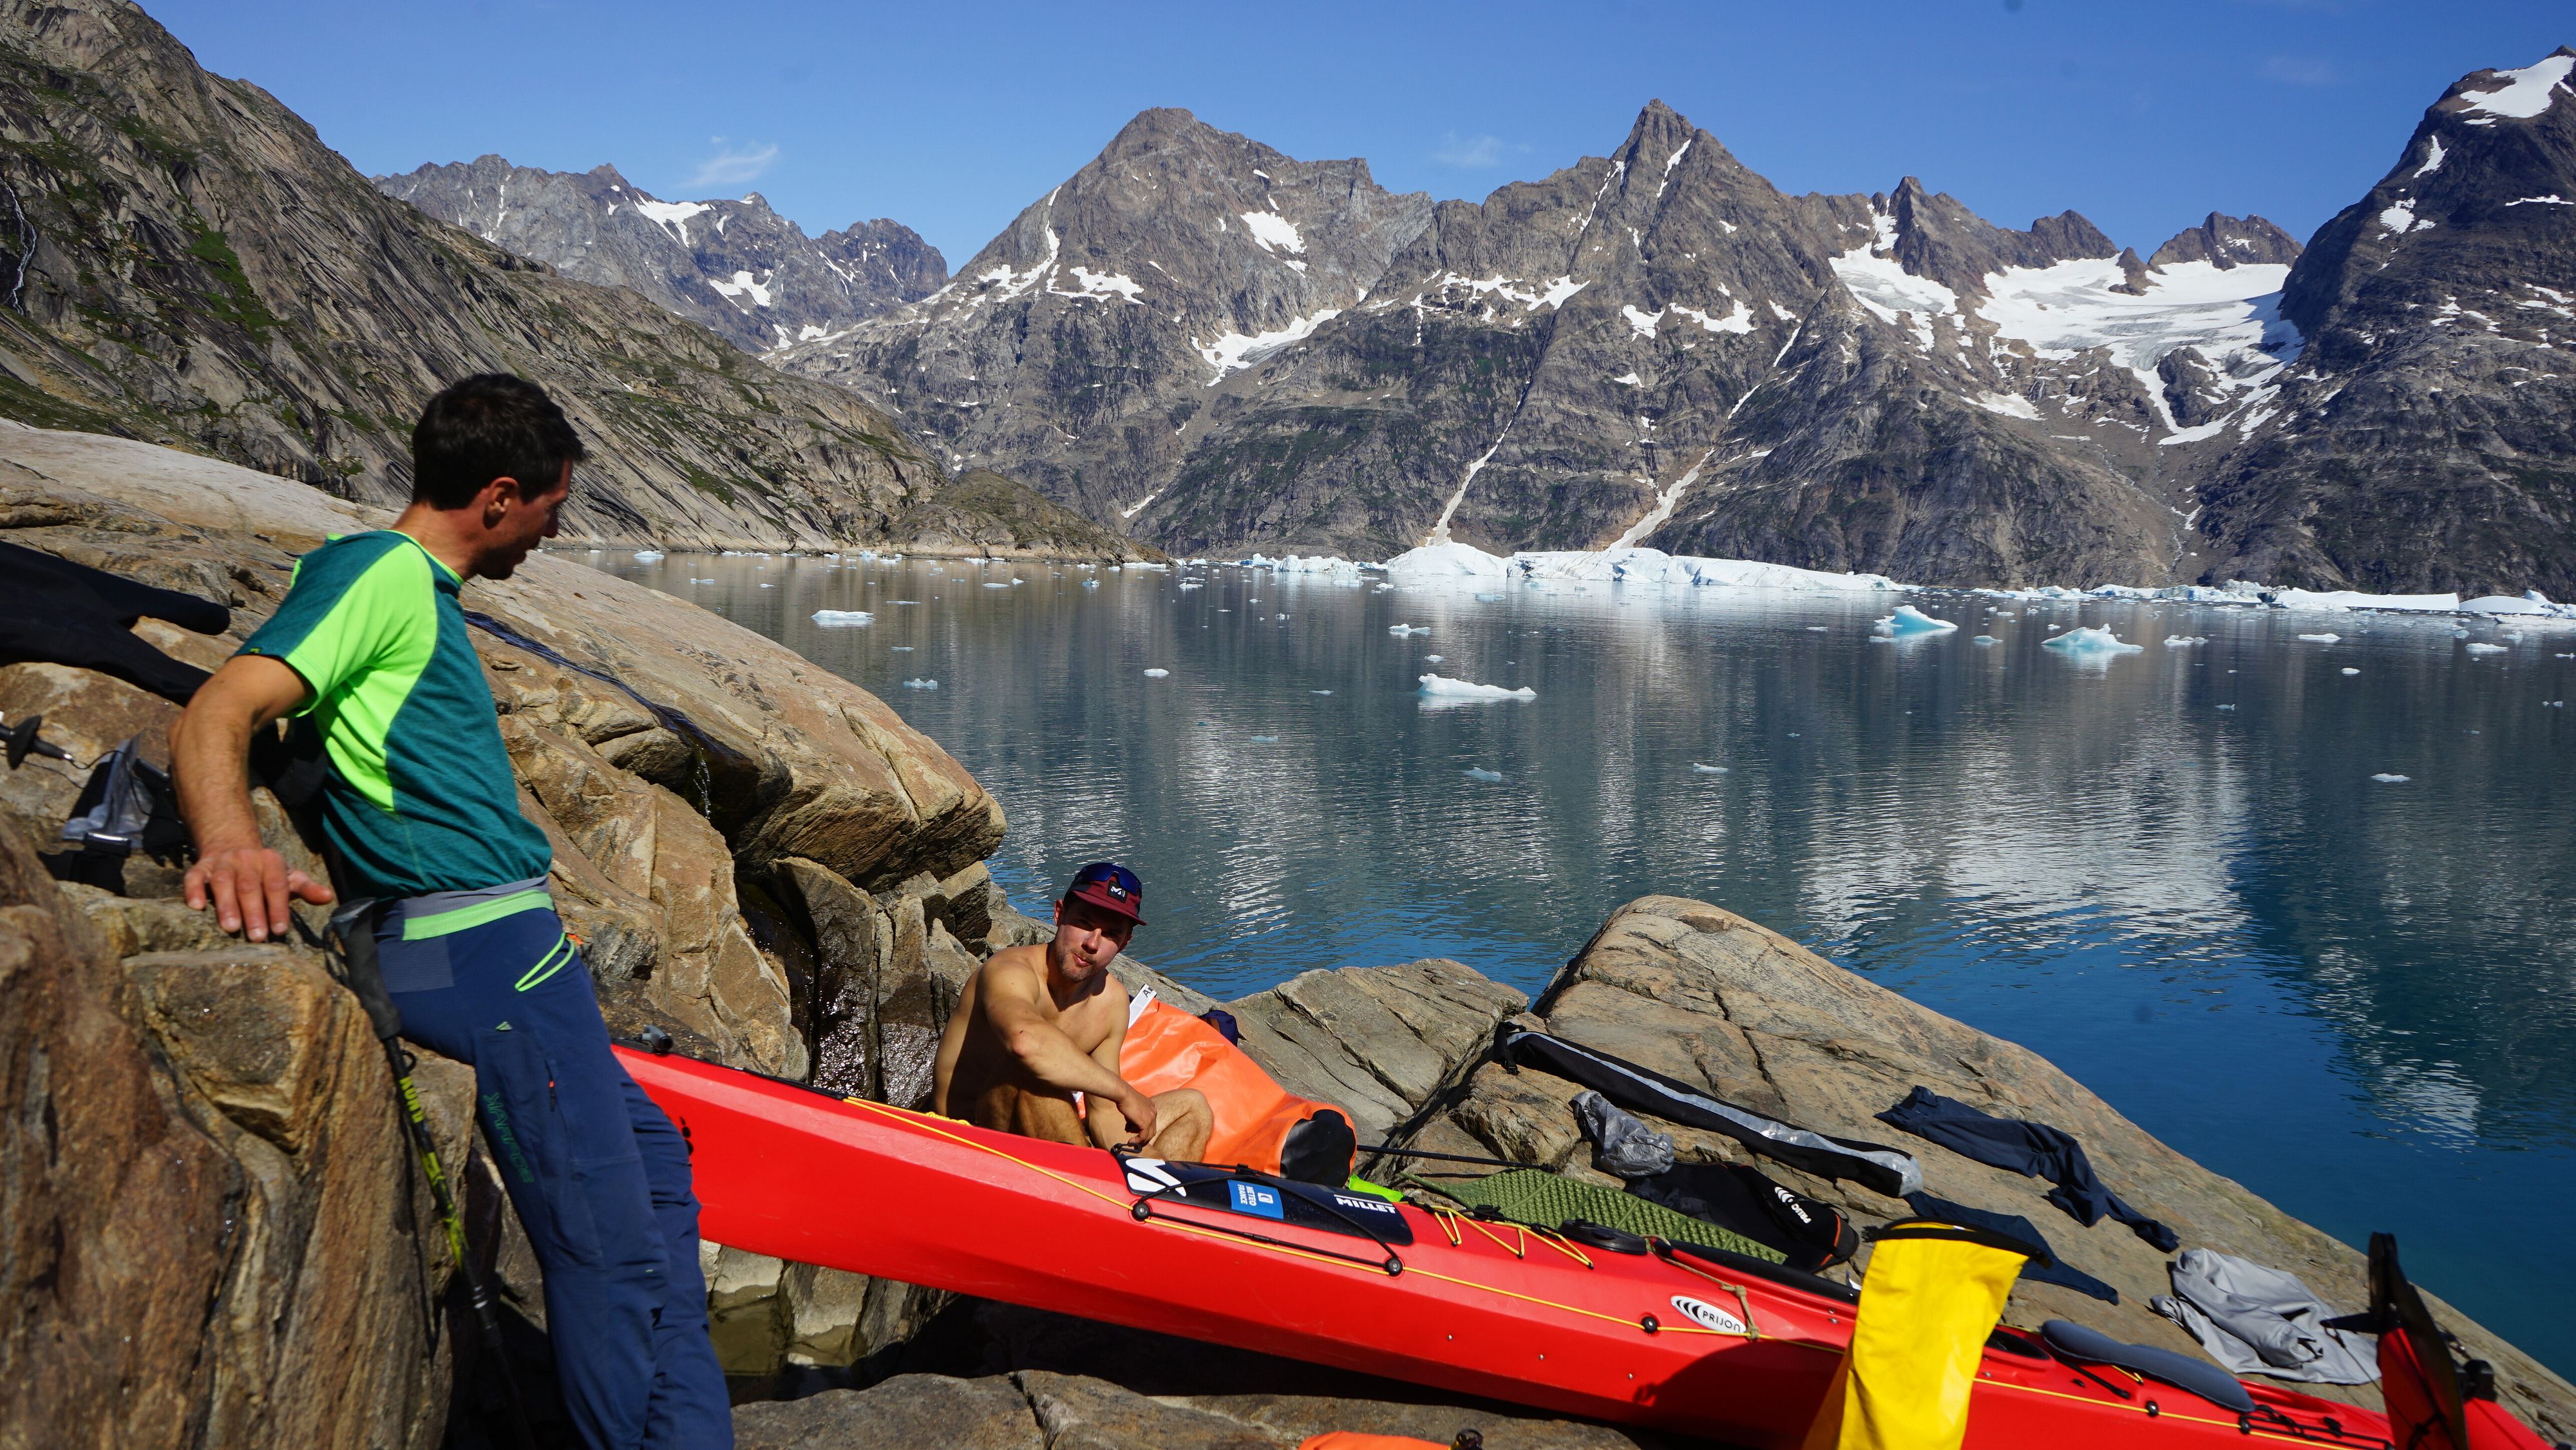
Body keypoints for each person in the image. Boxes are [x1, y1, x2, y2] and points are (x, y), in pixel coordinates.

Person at [171, 374, 731, 1450]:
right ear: (500, 497)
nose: (551, 533)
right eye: (552, 512)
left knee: (657, 1165)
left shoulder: (409, 591)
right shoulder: (379, 575)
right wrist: (230, 842)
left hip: (506, 946)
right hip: (475, 949)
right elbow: (224, 704)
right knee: (606, 1251)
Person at [933, 861, 1211, 1158]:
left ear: (1124, 943)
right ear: (1059, 914)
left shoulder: (1111, 1001)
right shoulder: (1009, 970)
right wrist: (1123, 1092)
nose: (1092, 943)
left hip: (1047, 1138)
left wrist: (1152, 1166)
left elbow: (1103, 1115)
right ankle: (1099, 1188)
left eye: (1110, 935)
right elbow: (1026, 1043)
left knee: (1193, 1106)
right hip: (969, 1139)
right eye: (1084, 923)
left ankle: (1163, 1195)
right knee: (1029, 1069)